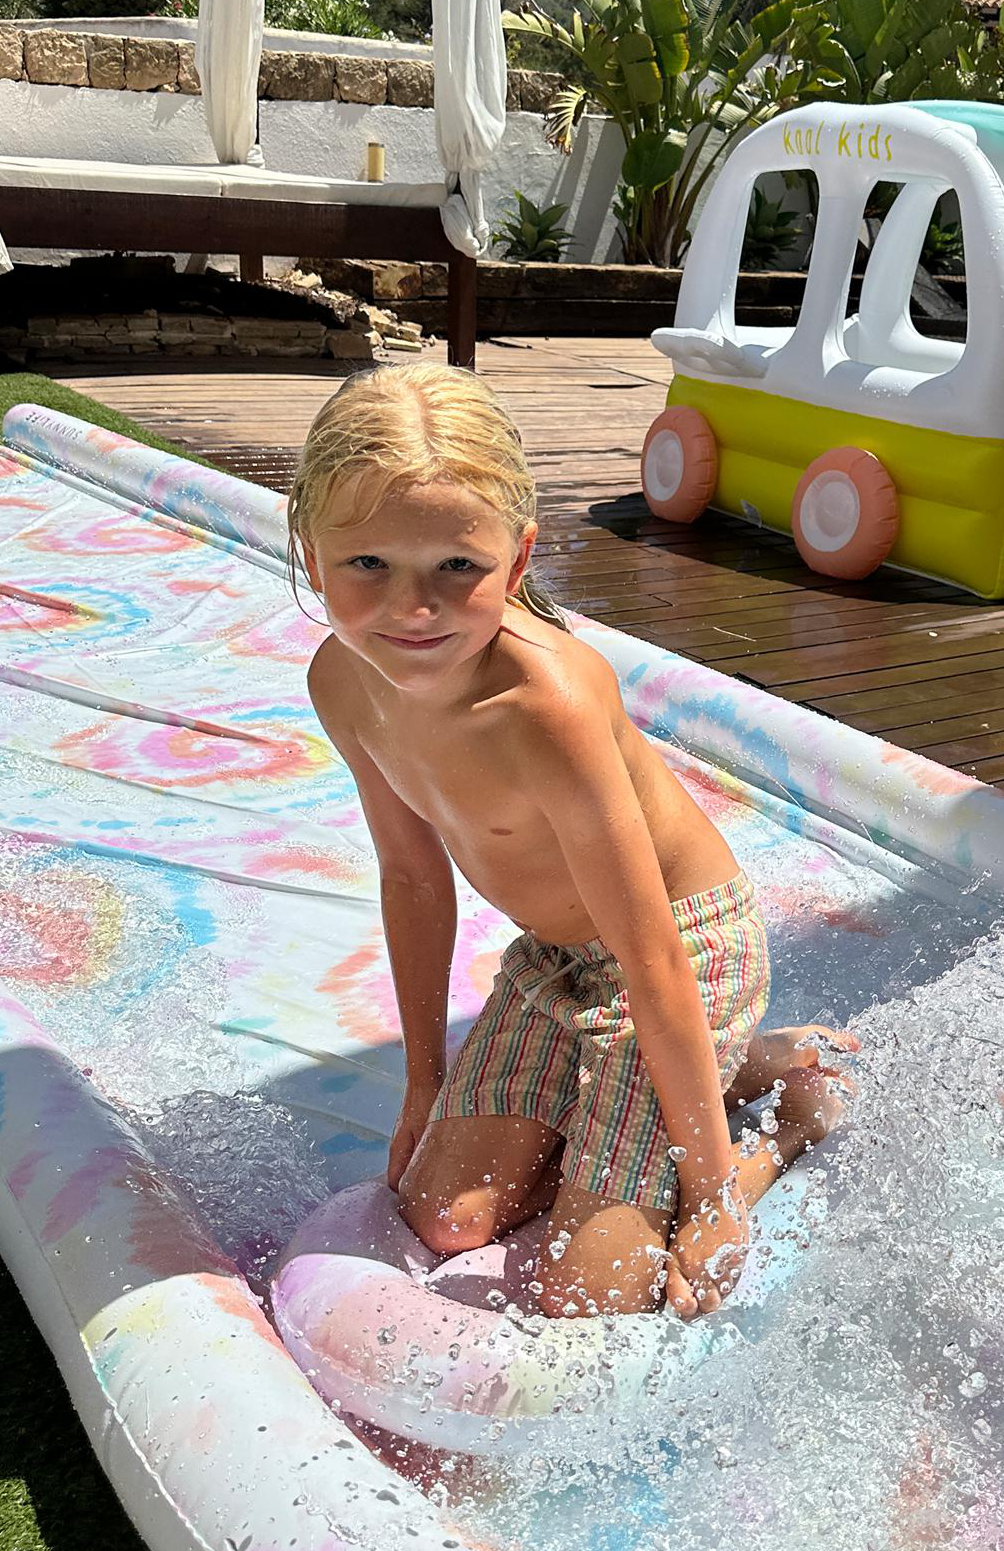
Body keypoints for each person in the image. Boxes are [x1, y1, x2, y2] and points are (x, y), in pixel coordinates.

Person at [291, 365, 854, 1322]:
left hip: (681, 957)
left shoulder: (546, 705)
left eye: (456, 567)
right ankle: (738, 1064)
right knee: (445, 1218)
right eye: (368, 564)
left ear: (516, 561)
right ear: (313, 555)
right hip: (556, 963)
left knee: (592, 1289)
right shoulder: (342, 684)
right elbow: (413, 877)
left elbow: (654, 956)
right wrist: (424, 1081)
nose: (414, 608)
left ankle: (784, 1124)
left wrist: (713, 1195)